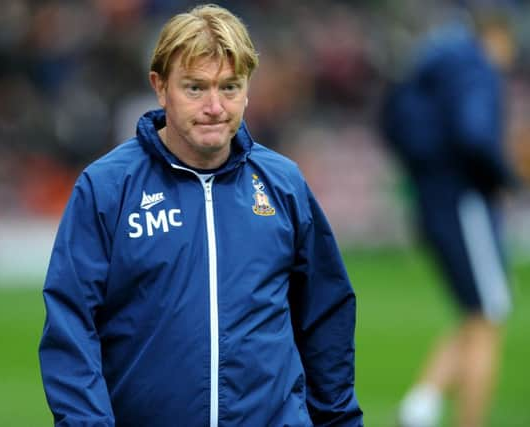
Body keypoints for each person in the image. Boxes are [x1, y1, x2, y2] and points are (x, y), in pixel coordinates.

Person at [38, 4, 363, 426]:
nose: (215, 106)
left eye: (230, 87)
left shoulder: (283, 185)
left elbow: (326, 318)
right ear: (160, 87)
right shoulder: (106, 188)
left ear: (248, 89)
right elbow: (71, 325)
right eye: (195, 88)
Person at [380, 11, 517, 427]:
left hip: (433, 200)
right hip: (466, 202)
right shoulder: (474, 66)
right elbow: (474, 134)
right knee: (488, 320)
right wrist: (504, 178)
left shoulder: (431, 63)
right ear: (499, 35)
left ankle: (420, 405)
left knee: (473, 313)